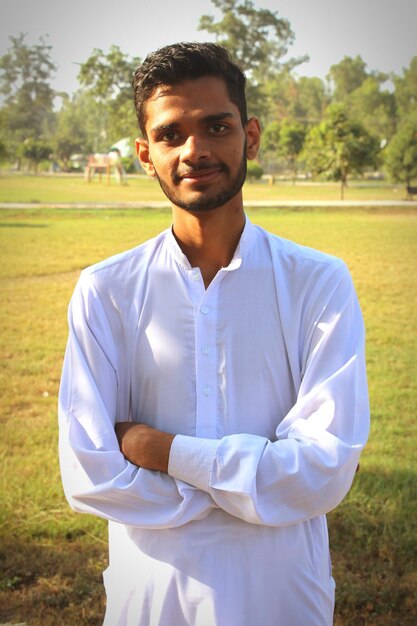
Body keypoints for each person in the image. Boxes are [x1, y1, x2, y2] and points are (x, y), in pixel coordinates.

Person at [58, 42, 370, 626]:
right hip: (150, 600)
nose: (194, 150)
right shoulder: (105, 291)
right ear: (145, 154)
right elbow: (90, 476)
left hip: (281, 598)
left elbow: (323, 471)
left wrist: (163, 452)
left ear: (249, 137)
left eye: (216, 126)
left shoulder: (317, 283)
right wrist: (257, 486)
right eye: (172, 134)